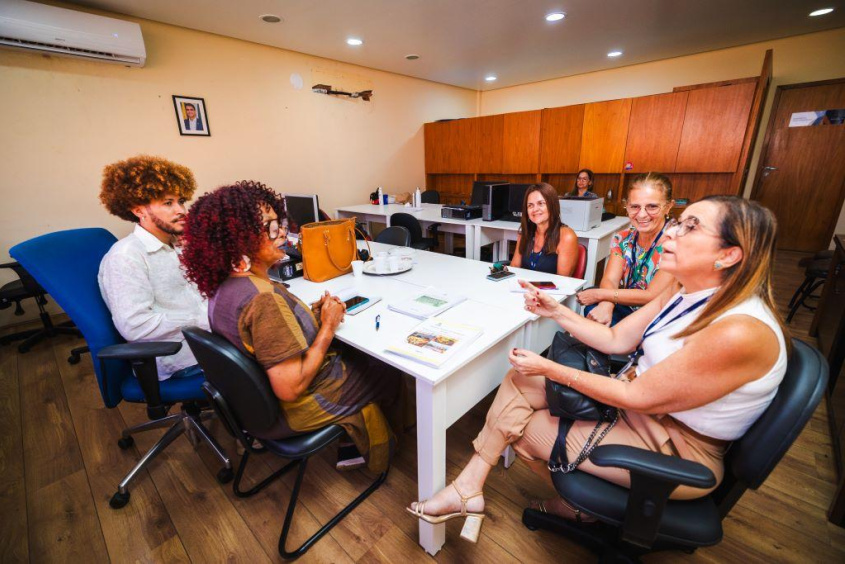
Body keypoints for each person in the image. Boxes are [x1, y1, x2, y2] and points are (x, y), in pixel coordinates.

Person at [408, 195, 787, 541]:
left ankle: (577, 510)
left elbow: (637, 394)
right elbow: (617, 340)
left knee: (521, 430)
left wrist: (552, 369)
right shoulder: (686, 289)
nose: (670, 230)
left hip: (677, 447)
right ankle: (468, 488)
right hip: (639, 411)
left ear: (728, 255)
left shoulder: (739, 330)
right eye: (678, 221)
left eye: (690, 226)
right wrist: (556, 310)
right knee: (519, 379)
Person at [180, 181, 404, 473]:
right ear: (238, 239)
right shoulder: (262, 300)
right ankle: (385, 448)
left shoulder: (225, 288)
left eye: (280, 223)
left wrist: (311, 315)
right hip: (295, 409)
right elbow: (290, 387)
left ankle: (357, 437)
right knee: (388, 368)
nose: (282, 232)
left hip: (252, 409)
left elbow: (266, 339)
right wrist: (327, 326)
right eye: (270, 228)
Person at [98, 155, 208, 380]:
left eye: (181, 201)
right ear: (139, 211)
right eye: (168, 203)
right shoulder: (125, 257)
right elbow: (135, 326)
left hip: (209, 338)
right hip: (183, 357)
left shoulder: (176, 243)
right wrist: (204, 319)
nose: (181, 211)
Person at [578, 172, 676, 326]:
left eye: (652, 206)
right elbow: (610, 279)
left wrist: (600, 294)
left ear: (668, 207)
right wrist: (606, 304)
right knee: (595, 308)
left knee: (594, 299)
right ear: (627, 206)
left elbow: (652, 296)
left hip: (657, 316)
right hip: (628, 306)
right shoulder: (623, 238)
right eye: (635, 207)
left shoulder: (676, 244)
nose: (642, 214)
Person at [511, 183, 579, 276]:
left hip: (550, 290)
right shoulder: (525, 233)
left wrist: (533, 288)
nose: (535, 209)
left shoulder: (566, 237)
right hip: (524, 288)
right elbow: (514, 266)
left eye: (541, 203)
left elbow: (562, 282)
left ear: (552, 205)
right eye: (530, 205)